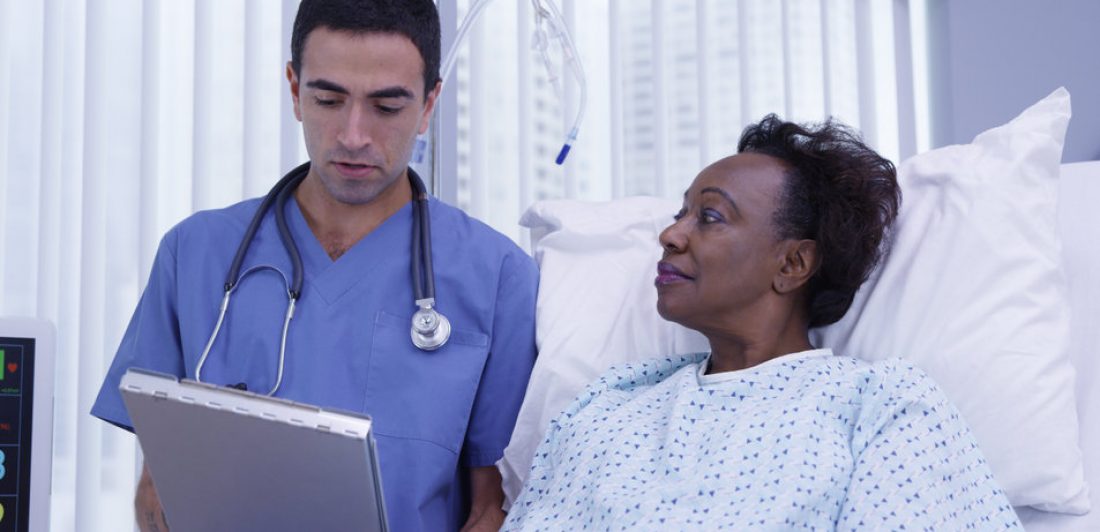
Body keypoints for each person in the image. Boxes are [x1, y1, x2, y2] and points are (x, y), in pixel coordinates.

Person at [91, 1, 538, 530]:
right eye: (328, 99)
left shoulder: (498, 277)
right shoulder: (194, 255)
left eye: (387, 107)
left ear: (429, 103)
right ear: (295, 90)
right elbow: (156, 494)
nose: (353, 135)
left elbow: (492, 509)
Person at [503, 115, 1023, 530]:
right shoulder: (610, 408)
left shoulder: (881, 406)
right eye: (679, 213)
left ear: (792, 264)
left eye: (709, 216)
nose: (671, 235)